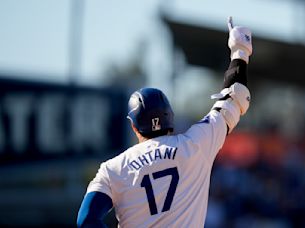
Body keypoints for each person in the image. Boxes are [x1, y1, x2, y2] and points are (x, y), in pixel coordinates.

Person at [77, 16, 252, 228]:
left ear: (133, 126)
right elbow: (235, 98)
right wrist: (239, 50)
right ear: (171, 118)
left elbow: (86, 219)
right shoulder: (196, 145)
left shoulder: (112, 169)